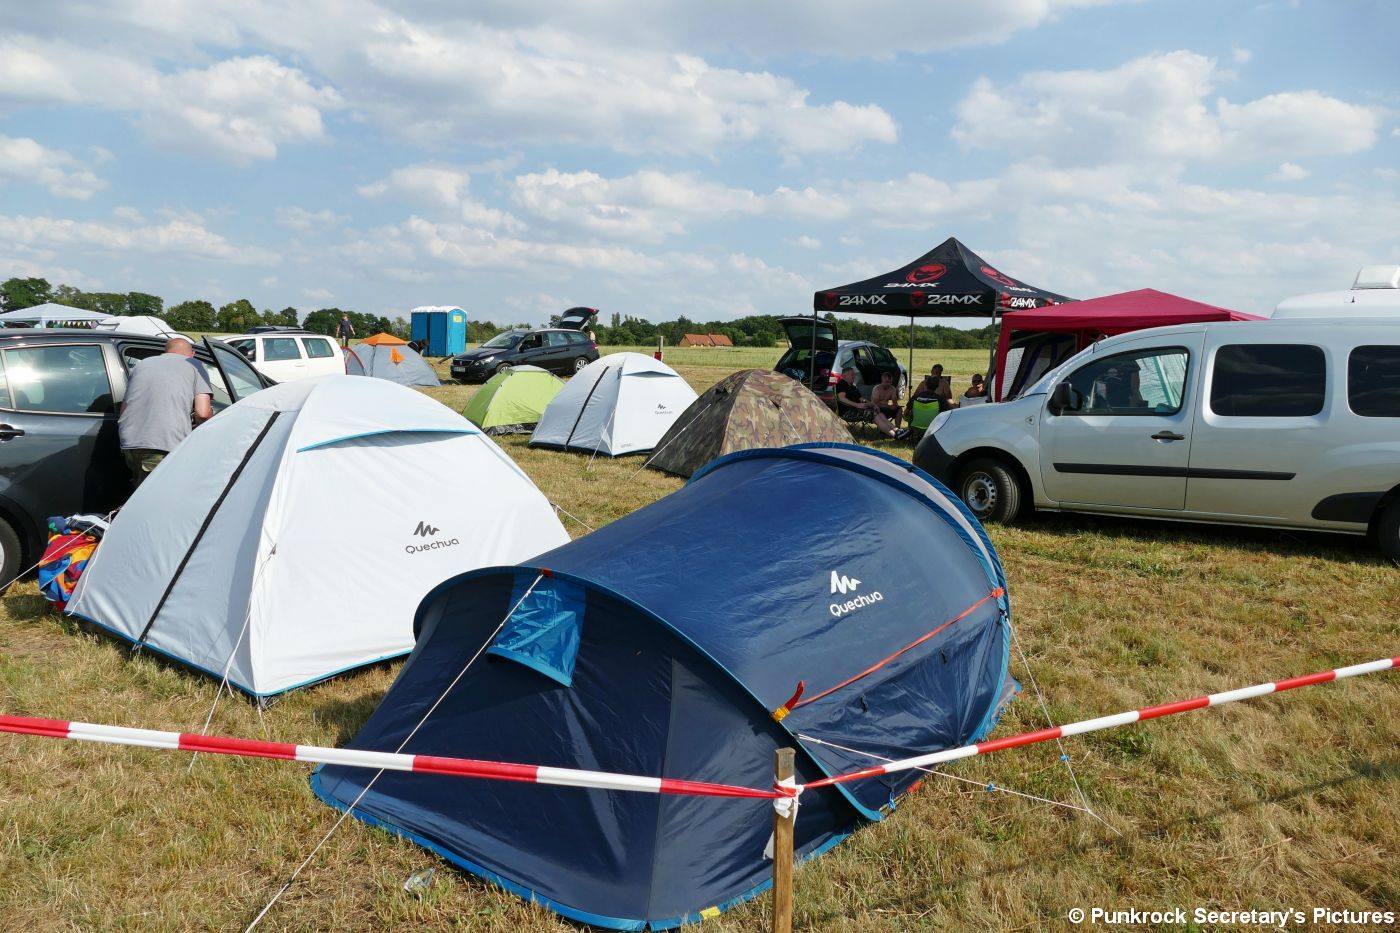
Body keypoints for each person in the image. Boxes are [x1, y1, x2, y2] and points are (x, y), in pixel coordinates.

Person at [118, 337, 213, 487]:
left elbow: (125, 408)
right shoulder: (194, 364)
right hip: (162, 444)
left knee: (140, 491)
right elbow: (203, 413)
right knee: (158, 493)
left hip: (130, 442)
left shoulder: (142, 364)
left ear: (166, 351)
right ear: (192, 354)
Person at [834, 367, 905, 439]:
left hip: (857, 409)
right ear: (844, 376)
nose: (854, 376)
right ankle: (894, 435)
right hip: (848, 412)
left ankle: (897, 430)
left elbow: (861, 399)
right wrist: (857, 405)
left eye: (854, 374)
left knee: (879, 413)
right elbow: (841, 398)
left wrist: (873, 405)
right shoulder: (841, 384)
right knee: (874, 414)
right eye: (852, 374)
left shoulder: (853, 386)